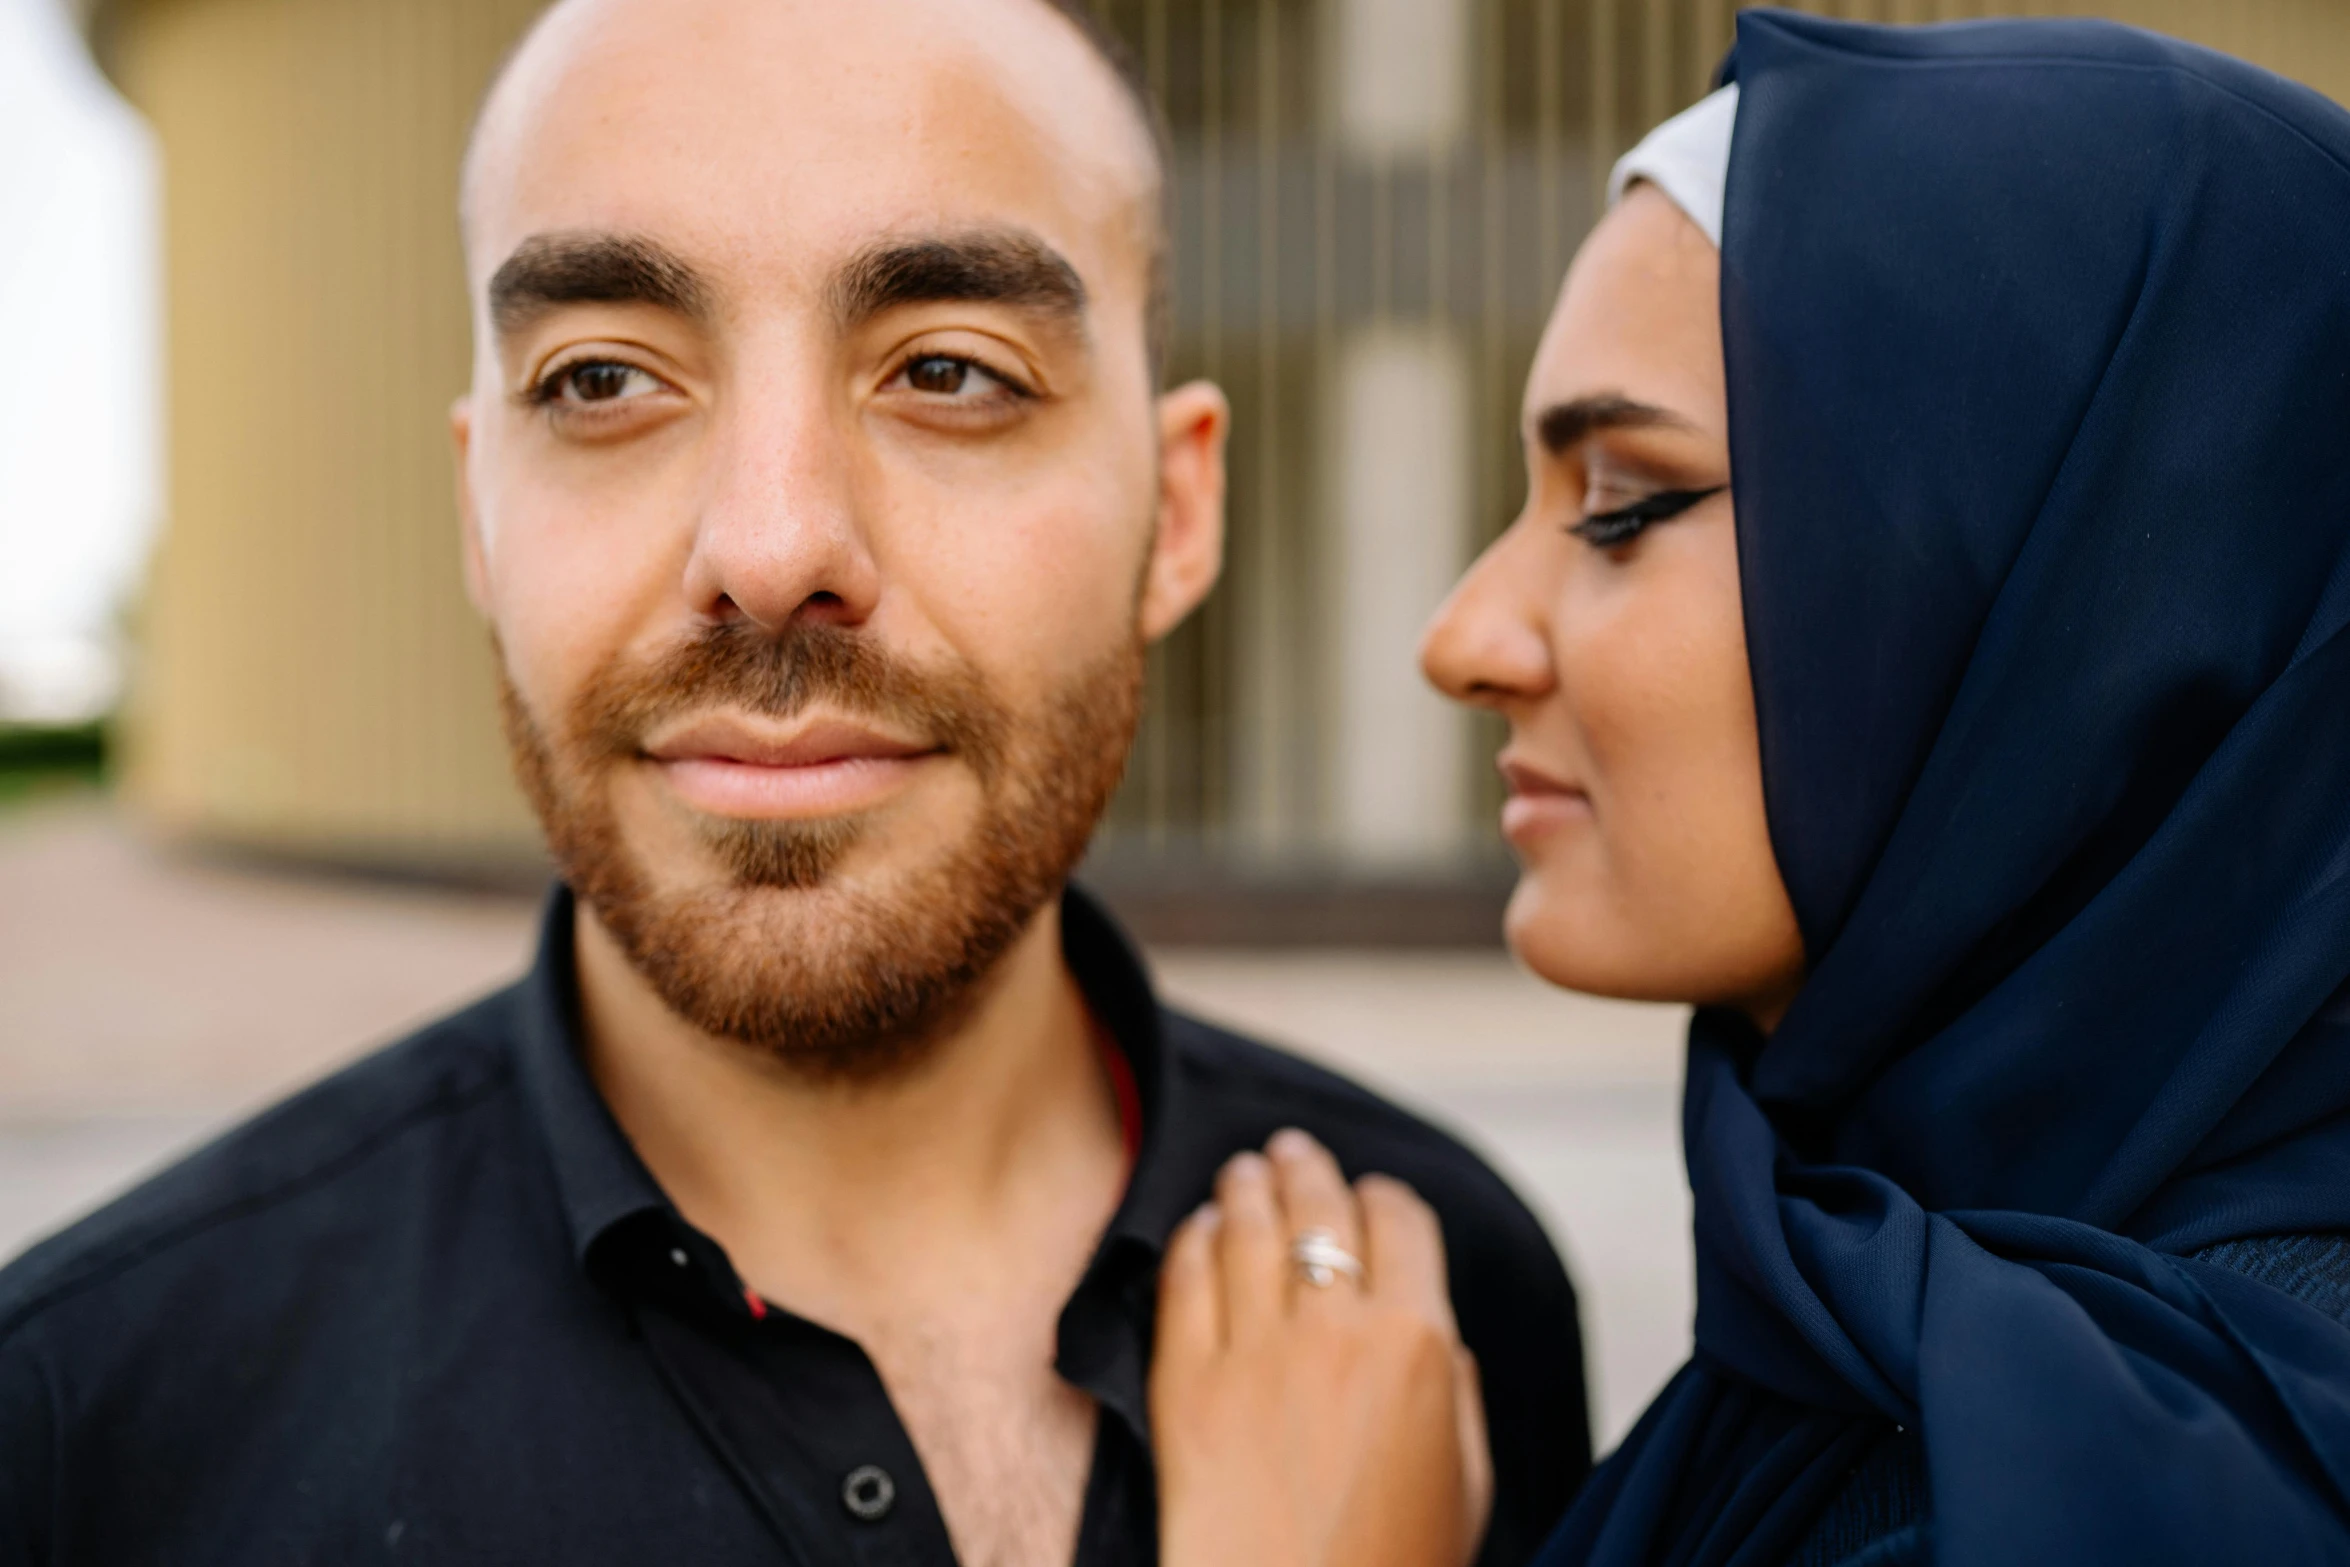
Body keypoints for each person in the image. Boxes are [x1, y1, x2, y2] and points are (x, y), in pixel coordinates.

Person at [0, 1, 1595, 1562]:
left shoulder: (1455, 1293)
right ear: (482, 515)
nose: (768, 553)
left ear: (1176, 514)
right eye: (603, 380)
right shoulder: (83, 1426)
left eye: (951, 372)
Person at [1150, 10, 2350, 1566]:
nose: (1462, 637)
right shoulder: (1858, 1330)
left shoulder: (2177, 1481)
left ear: (2078, 620)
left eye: (1624, 505)